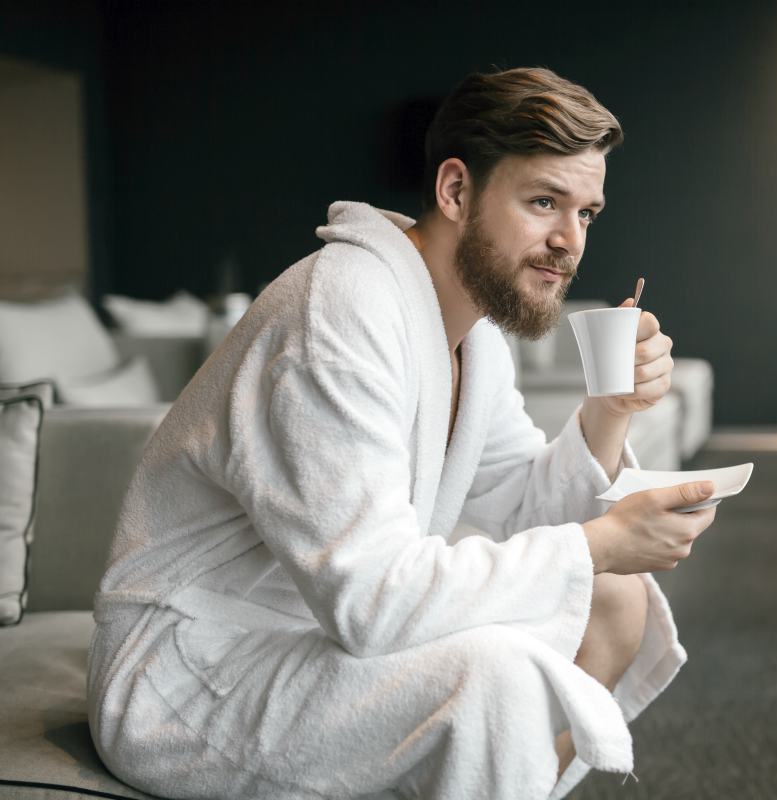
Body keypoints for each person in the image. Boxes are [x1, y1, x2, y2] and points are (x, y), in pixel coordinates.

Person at [86, 66, 718, 800]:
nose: (568, 241)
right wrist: (597, 541)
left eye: (586, 213)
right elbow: (371, 602)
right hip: (190, 668)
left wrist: (611, 410)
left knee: (616, 596)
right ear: (456, 191)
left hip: (306, 628)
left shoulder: (475, 335)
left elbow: (516, 504)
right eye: (544, 201)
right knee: (496, 680)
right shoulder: (340, 312)